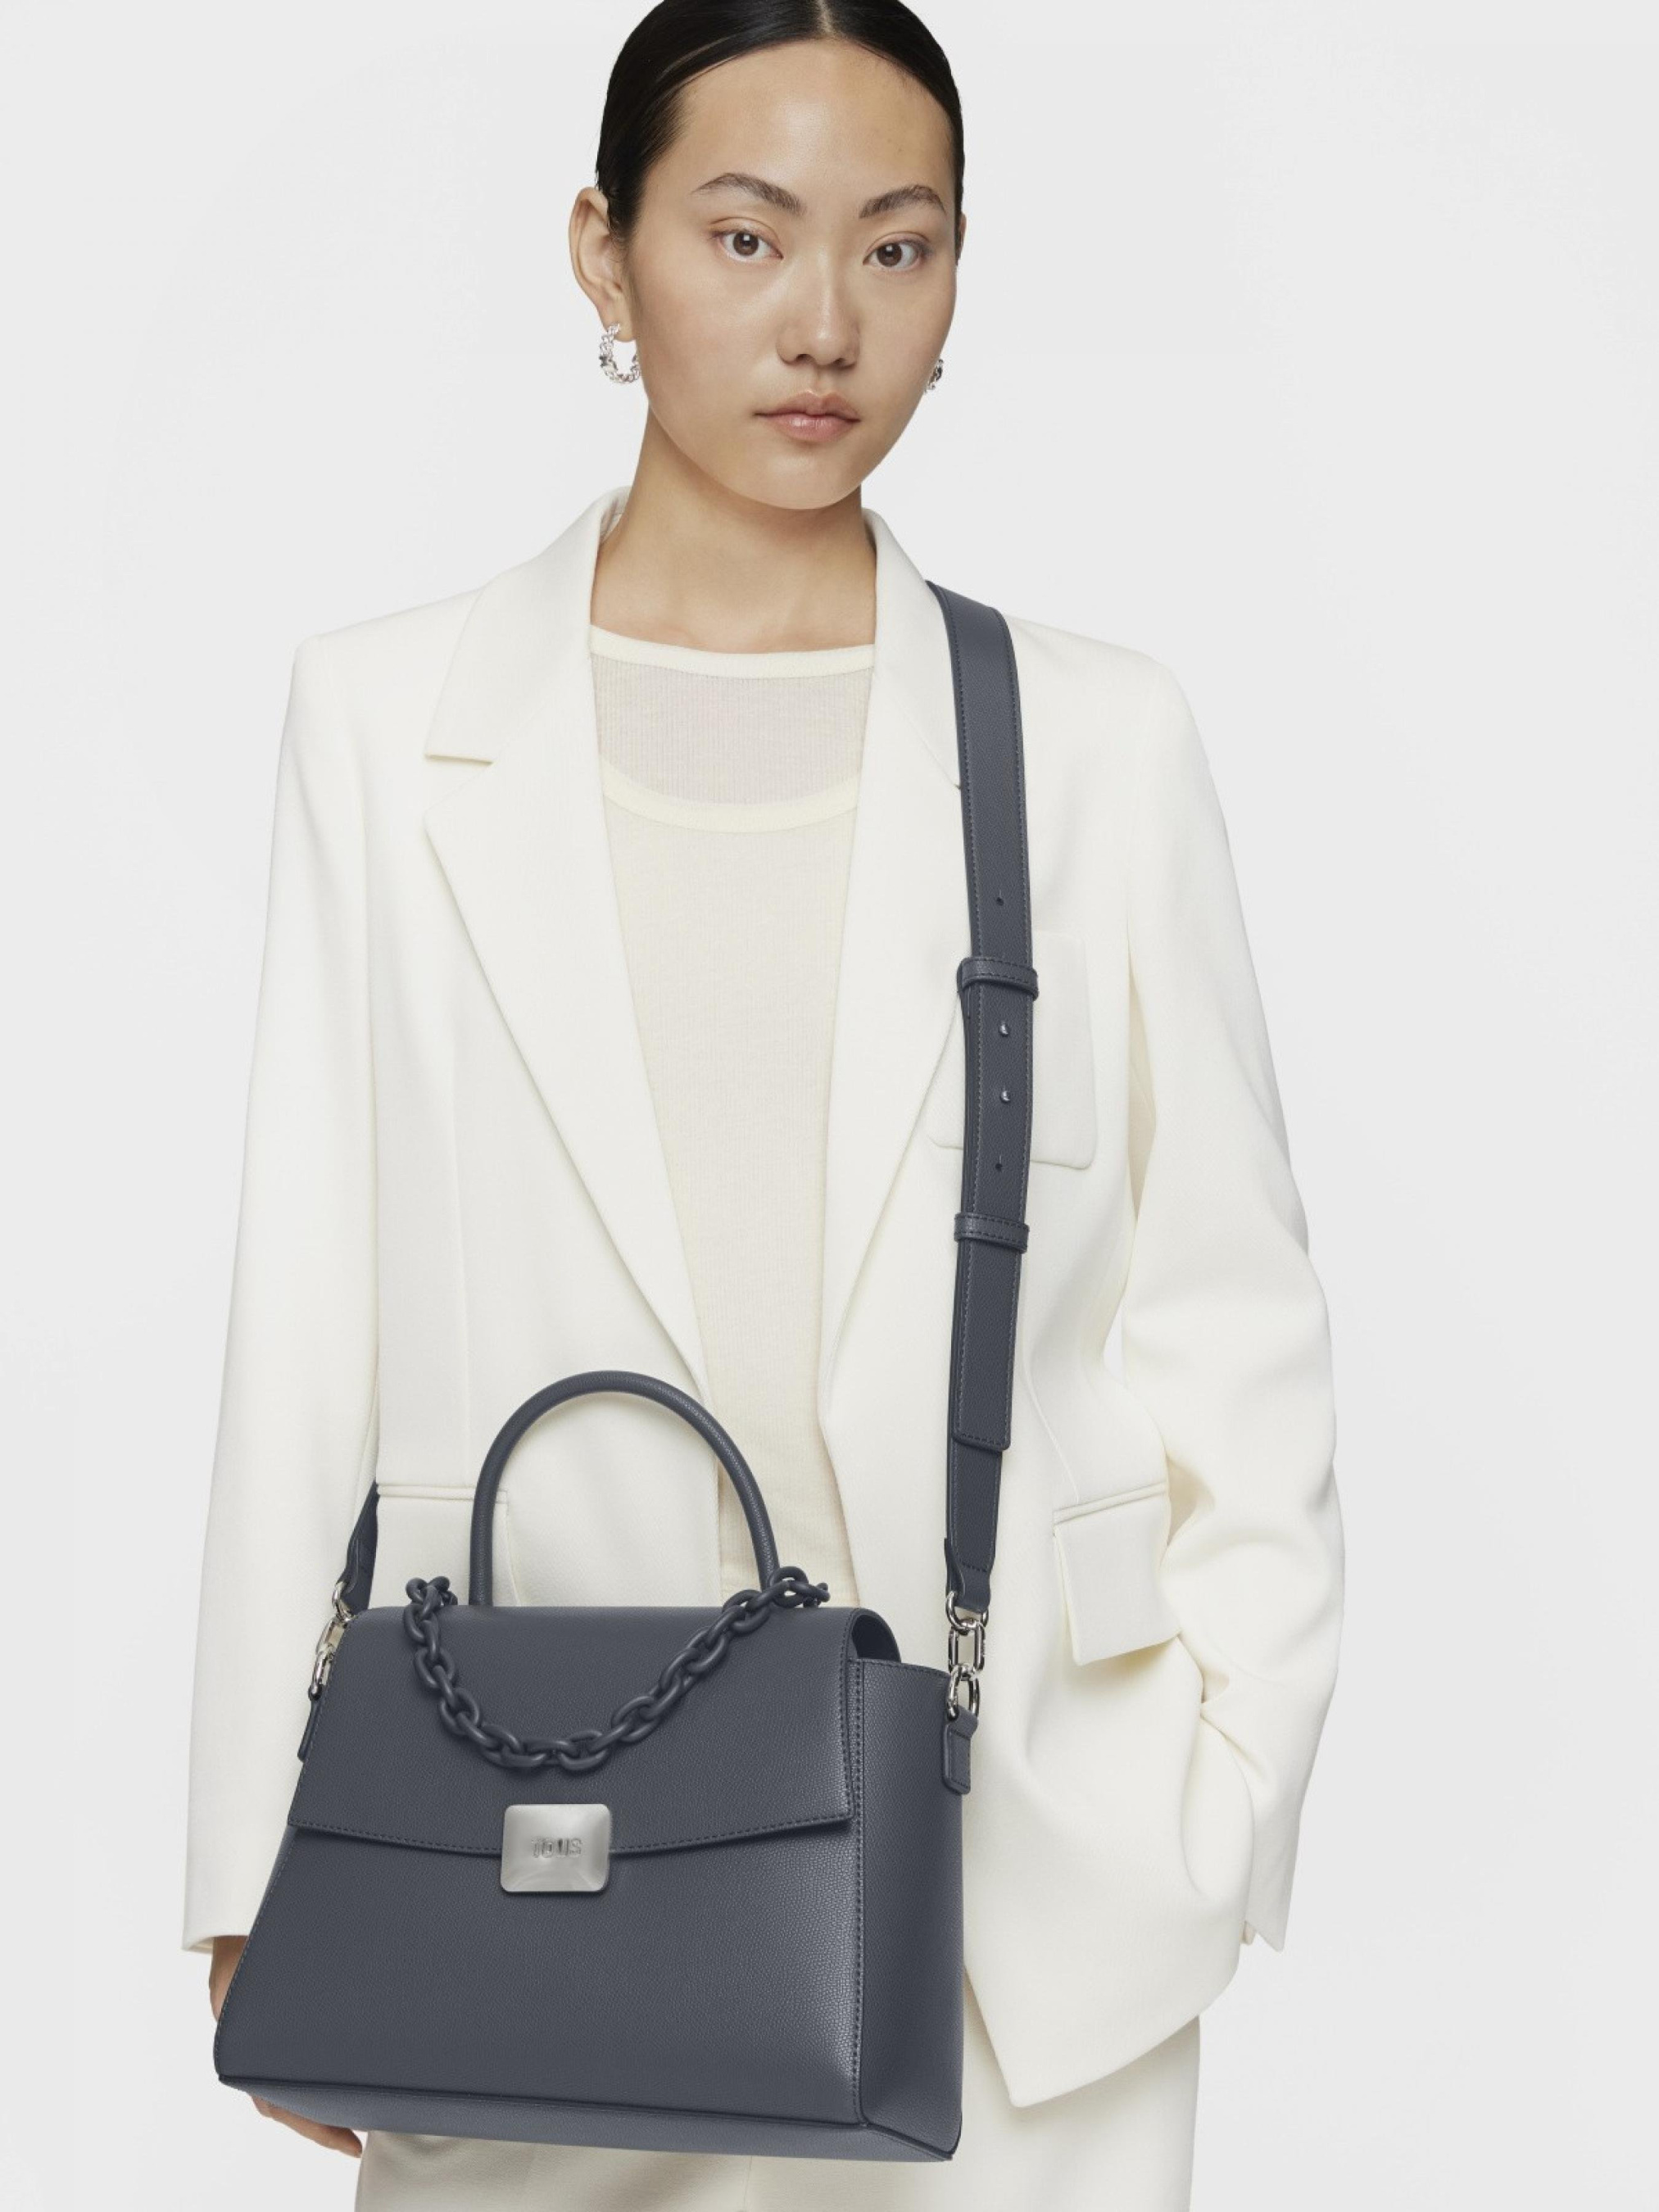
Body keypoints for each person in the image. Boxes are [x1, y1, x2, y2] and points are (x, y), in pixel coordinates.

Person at [184, 4, 1344, 2207]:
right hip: (529, 1831)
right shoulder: (386, 717)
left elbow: (1232, 1313)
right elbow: (305, 1297)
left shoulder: (1093, 741)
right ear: (601, 254)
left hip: (1022, 1898)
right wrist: (260, 1835)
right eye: (746, 235)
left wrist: (1222, 1788)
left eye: (898, 247)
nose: (825, 321)